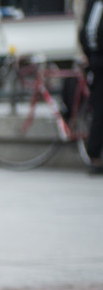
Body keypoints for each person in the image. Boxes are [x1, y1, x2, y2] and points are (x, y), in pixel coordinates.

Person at [81, 0, 103, 174]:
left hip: (95, 61)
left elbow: (84, 32)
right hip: (99, 63)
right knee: (100, 111)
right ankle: (94, 157)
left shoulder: (92, 4)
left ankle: (94, 155)